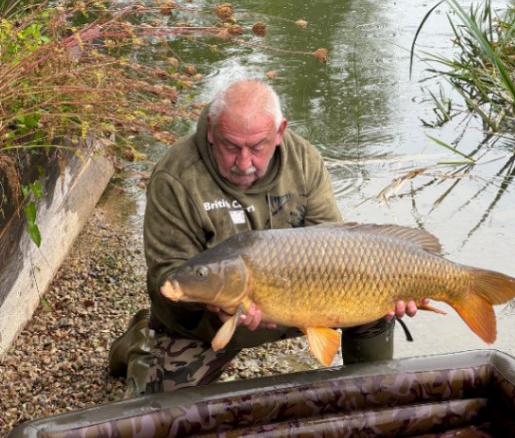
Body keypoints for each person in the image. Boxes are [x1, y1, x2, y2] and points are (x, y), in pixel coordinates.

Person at [109, 79, 423, 396]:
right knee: (165, 411)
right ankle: (140, 340)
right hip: (208, 322)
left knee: (376, 308)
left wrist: (395, 286)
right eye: (231, 146)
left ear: (279, 132)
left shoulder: (304, 161)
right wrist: (214, 308)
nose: (244, 164)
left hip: (298, 303)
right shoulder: (176, 177)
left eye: (257, 147)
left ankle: (370, 402)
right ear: (210, 130)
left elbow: (336, 246)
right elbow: (167, 281)